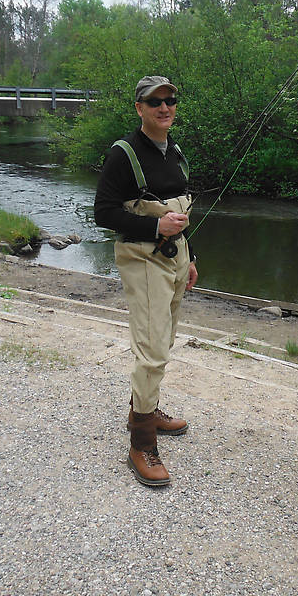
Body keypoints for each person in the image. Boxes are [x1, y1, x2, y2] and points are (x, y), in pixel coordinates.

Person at [94, 75, 198, 487]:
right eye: (155, 102)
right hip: (142, 257)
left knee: (165, 339)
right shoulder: (124, 153)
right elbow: (103, 214)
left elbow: (180, 211)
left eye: (170, 100)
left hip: (176, 256)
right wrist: (156, 229)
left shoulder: (174, 152)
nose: (164, 107)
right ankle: (141, 441)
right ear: (139, 108)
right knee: (152, 348)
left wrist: (191, 257)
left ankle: (146, 405)